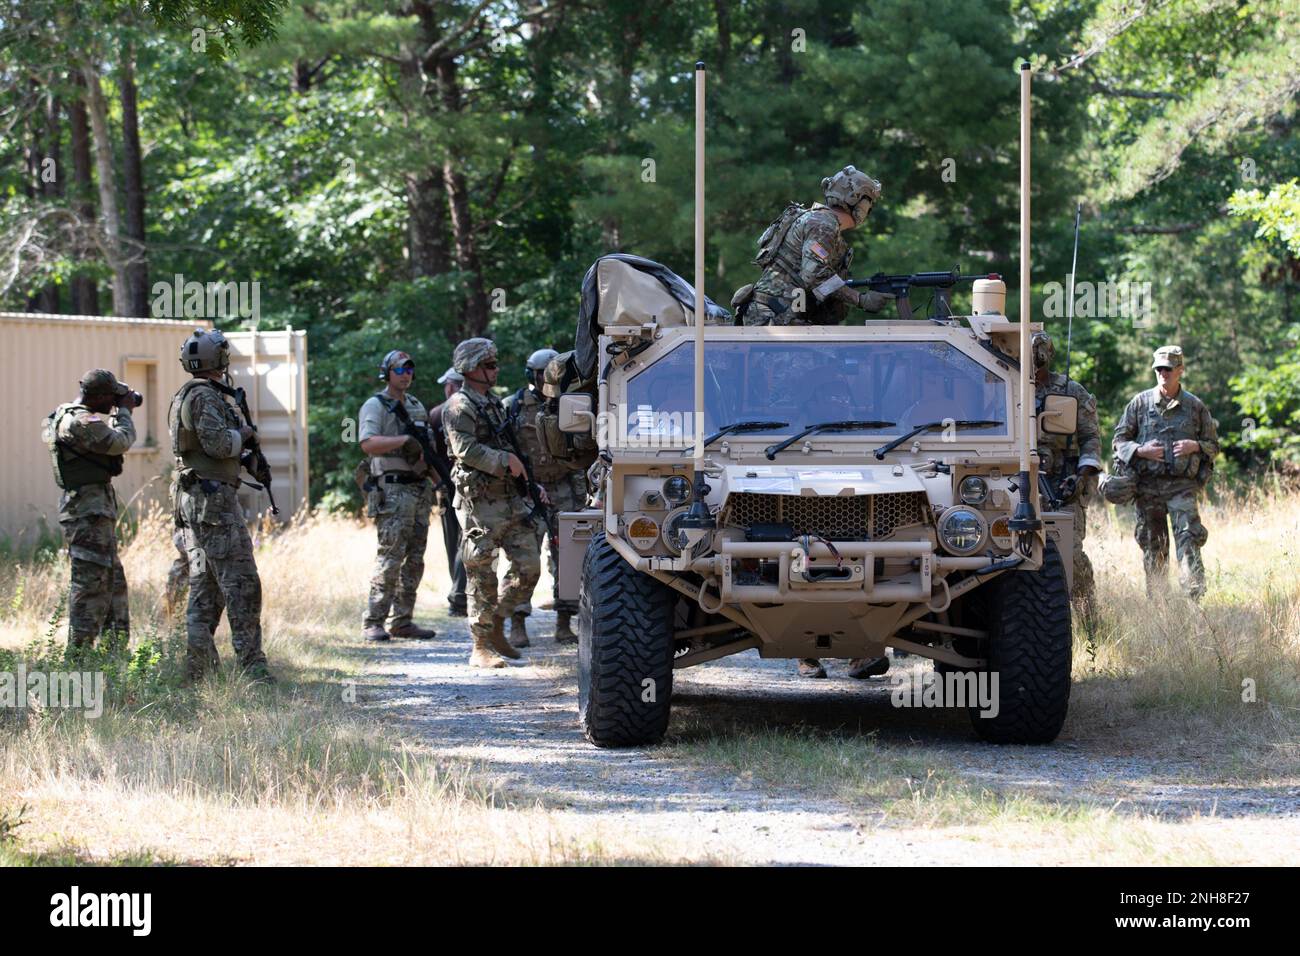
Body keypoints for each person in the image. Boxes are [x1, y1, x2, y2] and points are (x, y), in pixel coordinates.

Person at [168, 329, 275, 683]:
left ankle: (198, 670)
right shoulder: (205, 397)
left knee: (208, 585)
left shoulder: (196, 394)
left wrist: (246, 456)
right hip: (211, 502)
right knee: (242, 582)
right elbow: (216, 444)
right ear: (221, 359)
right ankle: (252, 667)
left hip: (200, 499)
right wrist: (244, 435)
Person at [443, 337, 546, 668]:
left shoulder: (493, 403)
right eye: (489, 365)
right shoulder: (459, 406)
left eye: (495, 363)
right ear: (472, 369)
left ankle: (499, 621)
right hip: (481, 503)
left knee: (529, 567)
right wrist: (504, 461)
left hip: (510, 500)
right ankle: (480, 646)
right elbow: (466, 450)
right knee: (482, 574)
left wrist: (530, 483)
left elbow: (513, 447)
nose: (496, 369)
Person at [1113, 345, 1219, 600]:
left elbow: (1214, 445)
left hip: (1182, 487)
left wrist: (1196, 446)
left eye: (1168, 369)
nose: (1163, 373)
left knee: (1188, 539)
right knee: (1153, 544)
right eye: (1159, 369)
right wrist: (1140, 451)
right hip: (1147, 488)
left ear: (1180, 371)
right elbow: (1118, 441)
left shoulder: (1195, 406)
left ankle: (1195, 600)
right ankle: (1159, 605)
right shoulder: (1139, 403)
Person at [44, 369, 139, 652]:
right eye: (111, 397)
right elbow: (120, 441)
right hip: (87, 512)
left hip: (95, 509)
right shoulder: (80, 420)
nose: (115, 402)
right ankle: (79, 656)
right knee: (90, 585)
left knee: (113, 583)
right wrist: (124, 412)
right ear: (96, 396)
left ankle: (115, 652)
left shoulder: (78, 415)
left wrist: (117, 408)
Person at [504, 348, 591, 646]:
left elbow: (581, 451)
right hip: (529, 491)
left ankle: (564, 623)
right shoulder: (513, 406)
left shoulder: (568, 405)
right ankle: (517, 621)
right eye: (544, 373)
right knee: (524, 557)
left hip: (565, 488)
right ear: (532, 374)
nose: (549, 378)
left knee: (569, 558)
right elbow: (507, 452)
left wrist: (584, 496)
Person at [736, 165, 891, 327]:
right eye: (869, 202)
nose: (869, 209)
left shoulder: (820, 221)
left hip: (783, 318)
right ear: (856, 200)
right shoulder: (823, 225)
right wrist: (860, 299)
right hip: (774, 318)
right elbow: (814, 276)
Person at [357, 350, 441, 642]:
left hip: (419, 489)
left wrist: (438, 480)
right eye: (399, 369)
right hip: (392, 490)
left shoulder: (417, 406)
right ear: (387, 373)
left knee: (415, 559)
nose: (406, 374)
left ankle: (403, 620)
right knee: (390, 557)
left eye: (409, 369)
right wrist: (403, 441)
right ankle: (373, 621)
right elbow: (367, 443)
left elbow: (427, 450)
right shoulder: (376, 405)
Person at [1032, 331, 1102, 620]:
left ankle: (1088, 620)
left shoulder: (1071, 391)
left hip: (1063, 484)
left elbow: (1091, 439)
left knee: (1070, 556)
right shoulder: (1001, 385)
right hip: (1020, 485)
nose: (1036, 361)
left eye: (1040, 354)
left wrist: (1082, 474)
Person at [430, 366, 468, 617]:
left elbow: (428, 455)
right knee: (468, 539)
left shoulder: (435, 414)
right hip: (467, 486)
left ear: (452, 386)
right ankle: (460, 593)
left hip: (446, 487)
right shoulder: (475, 410)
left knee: (453, 542)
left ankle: (458, 595)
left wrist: (437, 481)